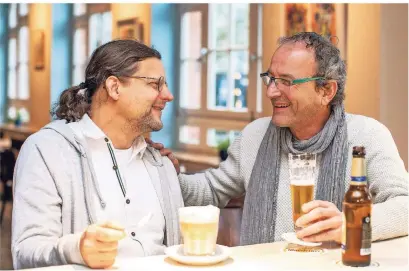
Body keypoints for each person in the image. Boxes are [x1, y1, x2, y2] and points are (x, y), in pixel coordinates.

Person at [153, 32, 408, 246]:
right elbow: (211, 190)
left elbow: (404, 207)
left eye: (286, 81)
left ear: (326, 90)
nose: (272, 91)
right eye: (271, 78)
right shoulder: (255, 134)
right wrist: (169, 176)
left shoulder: (367, 136)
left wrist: (350, 223)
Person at [11, 40, 183, 270]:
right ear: (114, 87)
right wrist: (77, 249)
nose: (168, 95)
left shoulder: (160, 162)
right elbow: (25, 252)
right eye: (155, 84)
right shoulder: (46, 151)